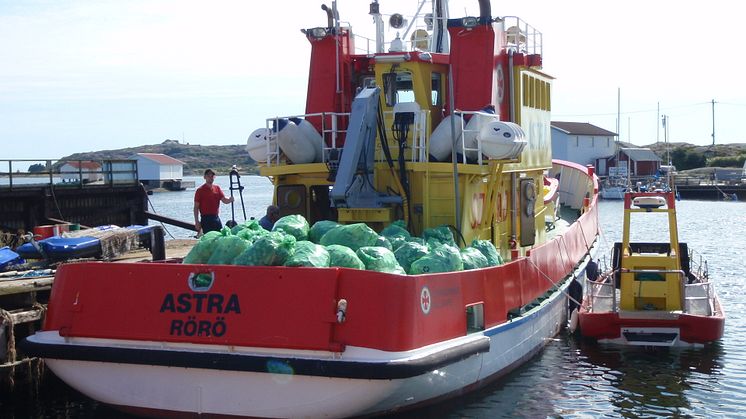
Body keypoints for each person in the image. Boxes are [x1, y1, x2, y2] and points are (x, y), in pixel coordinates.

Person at [194, 169, 234, 234]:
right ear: (205, 177)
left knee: (220, 236)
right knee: (209, 237)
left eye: (212, 176)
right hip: (205, 218)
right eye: (208, 176)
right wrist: (196, 221)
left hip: (215, 217)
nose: (210, 177)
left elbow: (224, 200)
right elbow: (196, 207)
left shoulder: (217, 188)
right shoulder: (200, 190)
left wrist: (230, 199)